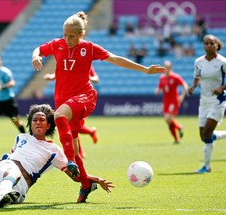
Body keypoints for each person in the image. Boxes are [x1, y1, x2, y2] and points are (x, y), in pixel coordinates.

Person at [31, 11, 166, 199]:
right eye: (65, 35)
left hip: (84, 97)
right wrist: (35, 56)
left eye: (71, 36)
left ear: (81, 35)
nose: (67, 39)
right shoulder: (57, 45)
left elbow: (116, 58)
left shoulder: (89, 48)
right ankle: (86, 185)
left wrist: (145, 69)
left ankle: (69, 160)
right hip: (62, 99)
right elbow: (38, 49)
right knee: (75, 147)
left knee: (59, 116)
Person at [0, 104, 114, 208]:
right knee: (13, 170)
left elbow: (74, 175)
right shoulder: (21, 138)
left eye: (42, 120)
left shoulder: (53, 150)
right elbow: (6, 160)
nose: (38, 123)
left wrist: (96, 180)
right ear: (30, 124)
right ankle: (4, 194)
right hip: (5, 171)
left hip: (20, 189)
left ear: (49, 125)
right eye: (34, 120)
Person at [188, 34, 226, 173]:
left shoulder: (223, 62)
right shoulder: (198, 61)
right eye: (206, 43)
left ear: (216, 45)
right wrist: (193, 86)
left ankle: (206, 167)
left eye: (211, 43)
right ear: (203, 45)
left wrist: (222, 88)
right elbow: (197, 78)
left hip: (218, 100)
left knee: (208, 132)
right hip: (204, 101)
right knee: (203, 136)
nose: (208, 45)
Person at [43, 66, 99, 158]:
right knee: (72, 126)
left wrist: (86, 77)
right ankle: (80, 151)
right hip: (67, 98)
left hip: (81, 101)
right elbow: (60, 73)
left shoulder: (86, 63)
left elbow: (96, 79)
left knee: (74, 126)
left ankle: (78, 153)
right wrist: (51, 77)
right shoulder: (68, 61)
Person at [155, 60, 188, 144]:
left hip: (174, 101)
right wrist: (157, 91)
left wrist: (182, 96)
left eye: (168, 67)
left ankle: (178, 129)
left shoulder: (175, 77)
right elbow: (159, 88)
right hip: (166, 101)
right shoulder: (162, 78)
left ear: (171, 67)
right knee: (168, 121)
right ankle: (177, 136)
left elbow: (185, 85)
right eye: (165, 67)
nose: (167, 68)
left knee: (167, 118)